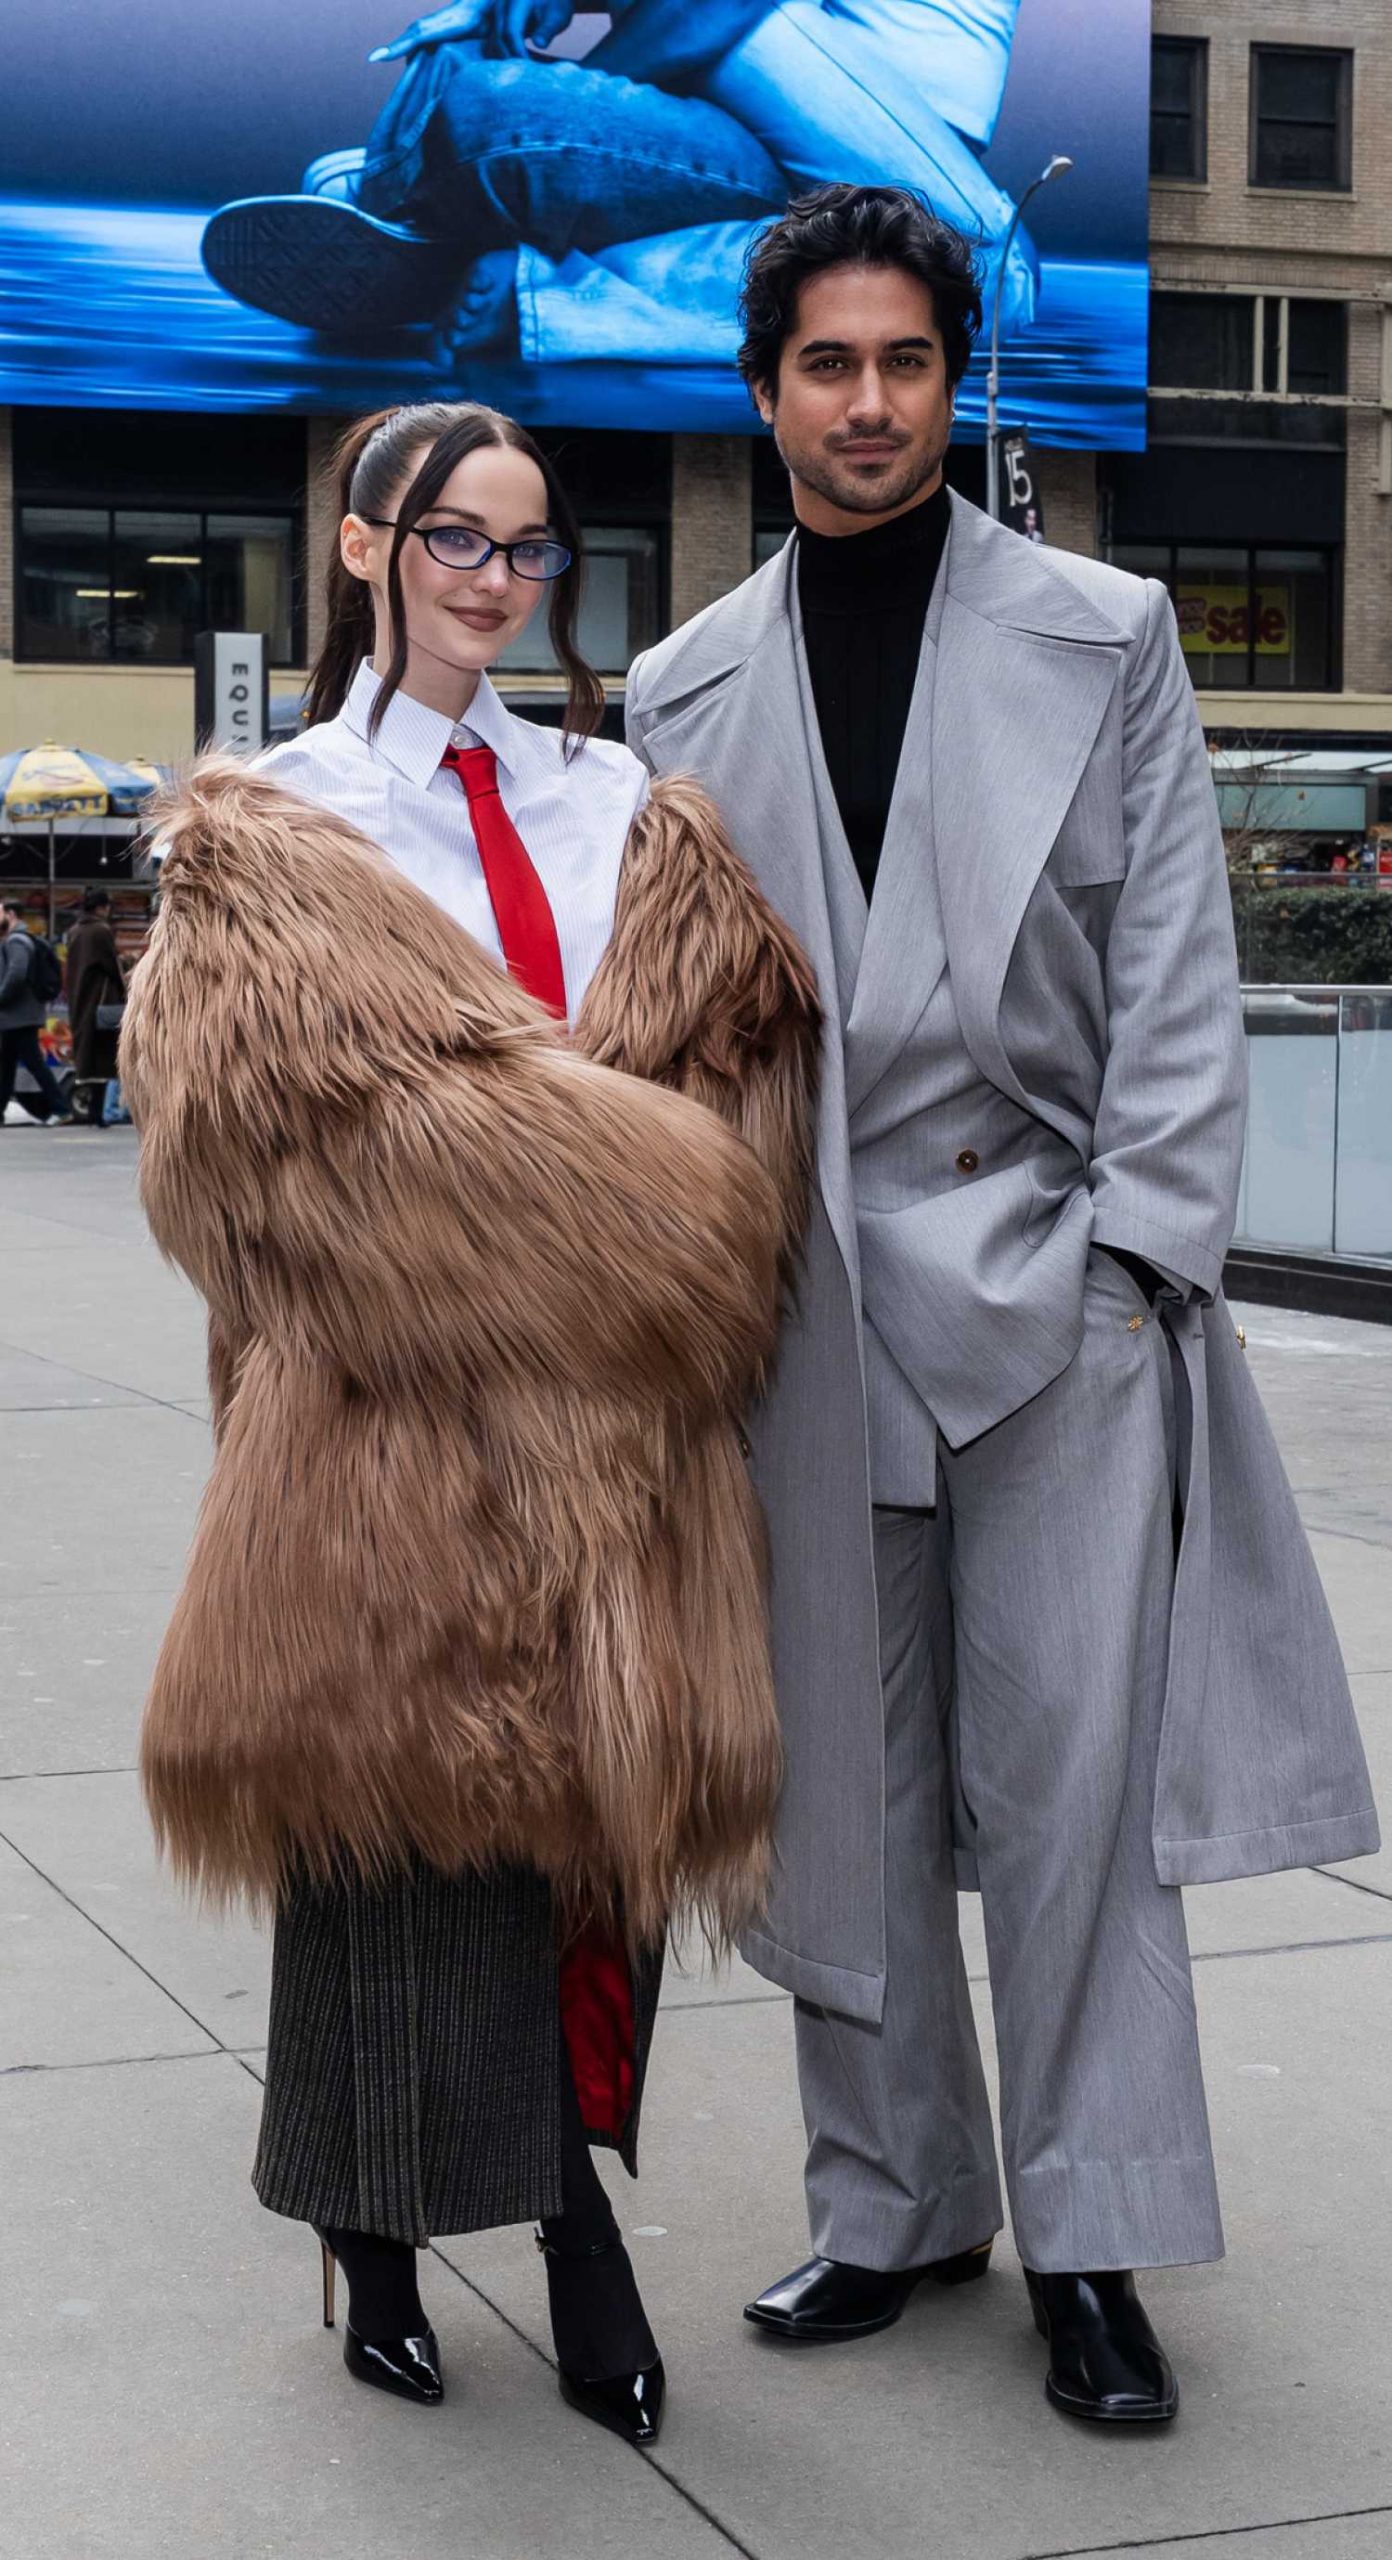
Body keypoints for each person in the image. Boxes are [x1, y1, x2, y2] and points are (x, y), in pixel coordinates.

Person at [623, 184, 1379, 2426]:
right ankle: (891, 2203)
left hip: (1062, 1305)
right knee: (839, 1797)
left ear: (956, 384)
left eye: (906, 362)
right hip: (806, 1315)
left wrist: (1140, 1265)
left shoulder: (1106, 628)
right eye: (827, 364)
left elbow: (1177, 977)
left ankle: (1096, 2233)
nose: (867, 403)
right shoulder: (680, 685)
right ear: (764, 395)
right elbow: (678, 1039)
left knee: (1073, 1805)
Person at [123, 397, 819, 2444]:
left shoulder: (624, 809)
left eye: (530, 550)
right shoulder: (272, 824)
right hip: (378, 1435)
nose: (497, 583)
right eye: (455, 541)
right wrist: (630, 1206)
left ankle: (560, 2212)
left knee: (591, 1856)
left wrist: (566, 1193)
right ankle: (393, 2226)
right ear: (363, 546)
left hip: (615, 1447)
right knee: (387, 1854)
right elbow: (253, 1168)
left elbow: (744, 1105)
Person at [199, 2, 1037, 374]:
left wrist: (565, 93)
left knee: (972, 268)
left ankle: (433, 219)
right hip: (769, 130)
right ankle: (448, 222)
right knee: (975, 271)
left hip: (843, 142)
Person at [0, 900, 70, 1127]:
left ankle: (61, 1108)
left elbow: (16, 974)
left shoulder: (16, 941)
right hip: (16, 1017)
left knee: (33, 1064)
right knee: (6, 1067)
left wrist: (1, 997)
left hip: (19, 1017)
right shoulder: (19, 939)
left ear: (10, 915)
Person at [64, 886, 126, 1128]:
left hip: (79, 1000)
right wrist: (124, 990)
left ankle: (92, 1111)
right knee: (103, 1057)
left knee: (87, 1056)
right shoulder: (101, 931)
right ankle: (97, 1113)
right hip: (100, 1002)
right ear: (101, 907)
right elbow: (112, 965)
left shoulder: (74, 931)